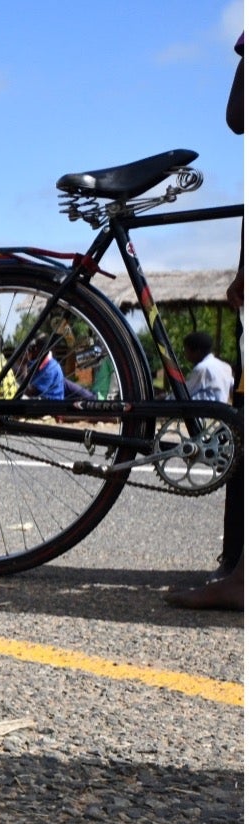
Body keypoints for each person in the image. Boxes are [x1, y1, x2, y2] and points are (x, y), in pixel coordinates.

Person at [167, 33, 243, 611]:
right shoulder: (213, 366)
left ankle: (240, 569)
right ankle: (237, 564)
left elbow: (238, 113)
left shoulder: (201, 371)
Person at [182, 330, 234, 403]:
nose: (185, 354)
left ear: (197, 351)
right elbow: (232, 388)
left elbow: (183, 394)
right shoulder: (225, 366)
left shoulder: (202, 368)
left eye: (186, 351)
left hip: (204, 412)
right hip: (221, 411)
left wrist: (165, 398)